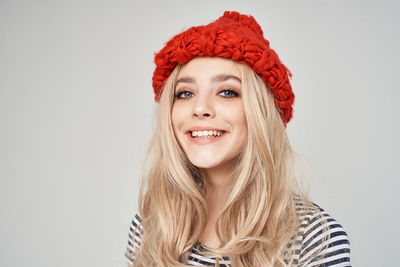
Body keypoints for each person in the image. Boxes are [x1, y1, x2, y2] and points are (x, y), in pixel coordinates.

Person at [126, 11, 351, 266]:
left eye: (227, 92)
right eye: (185, 93)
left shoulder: (315, 240)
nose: (200, 108)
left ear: (261, 113)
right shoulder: (152, 225)